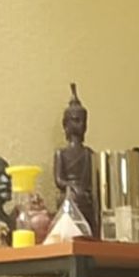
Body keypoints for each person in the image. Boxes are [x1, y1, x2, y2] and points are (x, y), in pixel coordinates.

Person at [53, 83, 97, 237]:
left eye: (83, 121)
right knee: (69, 200)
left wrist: (83, 189)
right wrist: (71, 186)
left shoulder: (89, 154)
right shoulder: (61, 153)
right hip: (69, 193)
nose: (81, 125)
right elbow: (59, 180)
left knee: (90, 202)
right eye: (76, 120)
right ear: (66, 124)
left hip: (83, 193)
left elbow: (92, 181)